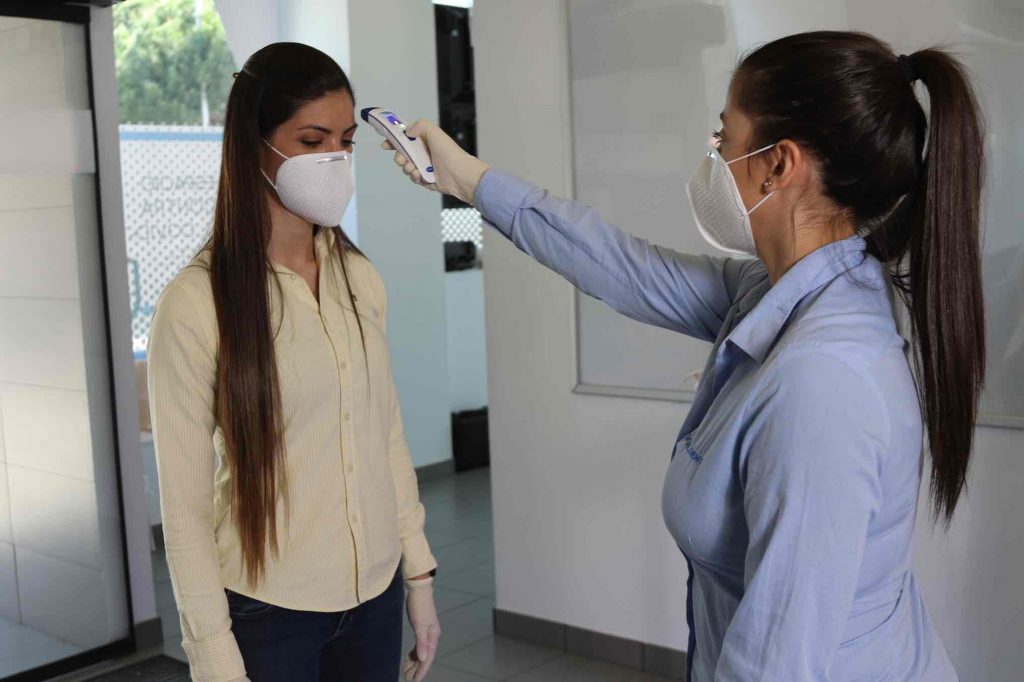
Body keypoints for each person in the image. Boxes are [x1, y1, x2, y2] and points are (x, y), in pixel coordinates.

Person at [386, 31, 984, 681]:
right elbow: (624, 267)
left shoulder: (822, 381)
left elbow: (777, 663)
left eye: (723, 136)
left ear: (779, 164)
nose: (714, 153)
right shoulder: (785, 289)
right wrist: (468, 179)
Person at [148, 42, 441, 682]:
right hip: (268, 614)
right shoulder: (197, 305)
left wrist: (416, 575)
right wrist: (214, 658)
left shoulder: (358, 278)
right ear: (255, 146)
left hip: (375, 599)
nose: (333, 160)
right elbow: (187, 508)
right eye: (311, 141)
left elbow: (383, 434)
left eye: (344, 141)